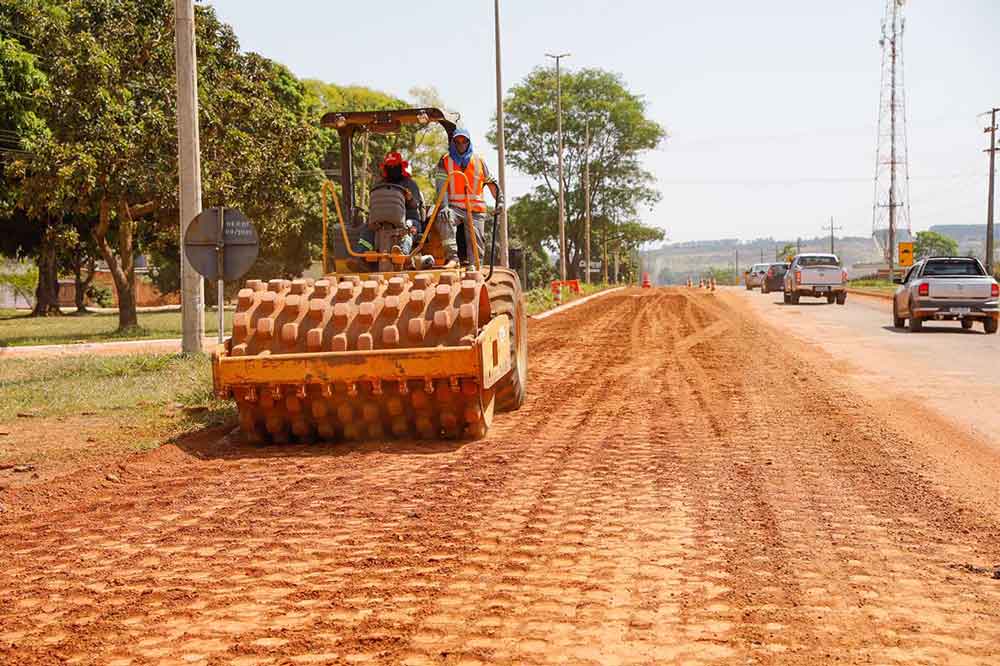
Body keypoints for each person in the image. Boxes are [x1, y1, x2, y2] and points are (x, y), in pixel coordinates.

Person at [435, 128, 504, 266]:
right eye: (457, 141)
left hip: (476, 211)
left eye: (464, 141)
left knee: (476, 243)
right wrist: (445, 207)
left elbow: (492, 184)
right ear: (453, 143)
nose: (461, 144)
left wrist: (500, 202)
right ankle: (453, 258)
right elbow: (441, 188)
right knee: (443, 218)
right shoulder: (445, 161)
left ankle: (474, 266)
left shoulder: (479, 161)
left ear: (469, 142)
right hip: (455, 209)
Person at [355, 152, 425, 263]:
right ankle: (359, 257)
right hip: (382, 220)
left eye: (395, 166)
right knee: (367, 228)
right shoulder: (380, 185)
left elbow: (415, 204)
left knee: (408, 227)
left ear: (400, 167)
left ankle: (402, 255)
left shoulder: (410, 184)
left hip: (408, 218)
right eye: (390, 166)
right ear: (386, 168)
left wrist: (410, 198)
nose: (392, 169)